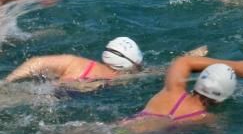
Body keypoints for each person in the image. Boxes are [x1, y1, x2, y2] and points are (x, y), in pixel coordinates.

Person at [4, 37, 143, 85]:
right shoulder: (119, 79)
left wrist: (8, 80)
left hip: (45, 91)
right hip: (62, 96)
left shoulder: (75, 62)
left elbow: (37, 62)